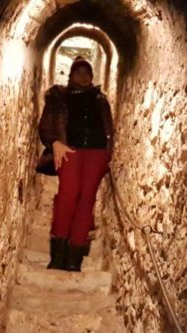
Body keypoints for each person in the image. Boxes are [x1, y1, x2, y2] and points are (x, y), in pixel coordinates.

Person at [37, 56, 114, 272]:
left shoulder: (100, 99)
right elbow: (45, 125)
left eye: (86, 72)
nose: (83, 75)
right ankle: (58, 255)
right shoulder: (59, 96)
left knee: (86, 201)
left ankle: (74, 258)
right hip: (69, 151)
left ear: (91, 76)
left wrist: (108, 152)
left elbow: (109, 127)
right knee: (67, 197)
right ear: (71, 75)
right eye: (78, 71)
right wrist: (54, 142)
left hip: (97, 153)